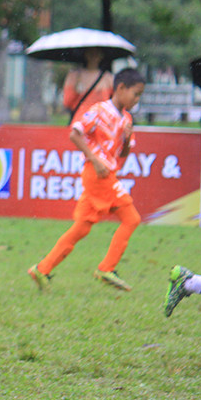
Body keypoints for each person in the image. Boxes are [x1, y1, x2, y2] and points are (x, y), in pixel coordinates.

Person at [28, 68, 147, 292]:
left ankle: (42, 269)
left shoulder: (127, 119)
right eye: (136, 94)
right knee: (131, 218)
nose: (137, 100)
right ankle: (107, 268)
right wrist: (94, 159)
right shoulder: (99, 110)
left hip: (106, 173)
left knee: (81, 228)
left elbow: (122, 155)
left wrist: (128, 137)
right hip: (97, 174)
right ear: (120, 88)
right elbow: (75, 133)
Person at [62, 47, 113, 125]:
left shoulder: (109, 78)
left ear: (102, 55)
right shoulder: (75, 76)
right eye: (91, 53)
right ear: (85, 54)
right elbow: (67, 102)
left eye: (97, 53)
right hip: (80, 124)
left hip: (101, 124)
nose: (94, 56)